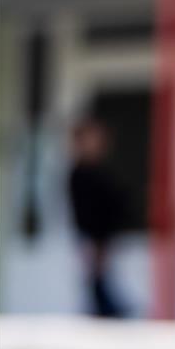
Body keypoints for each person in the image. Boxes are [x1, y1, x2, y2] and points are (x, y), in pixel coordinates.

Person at [65, 116, 130, 318]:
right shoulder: (80, 174)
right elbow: (84, 211)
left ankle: (107, 313)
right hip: (93, 236)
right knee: (97, 281)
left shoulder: (100, 171)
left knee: (103, 280)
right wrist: (92, 241)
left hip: (104, 235)